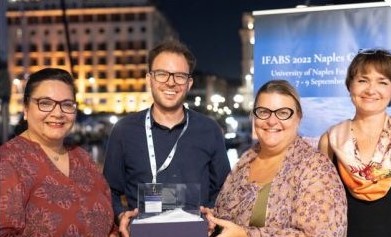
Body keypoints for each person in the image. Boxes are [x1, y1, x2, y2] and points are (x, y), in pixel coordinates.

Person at [103, 39, 231, 236]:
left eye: (179, 76)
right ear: (149, 79)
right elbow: (108, 190)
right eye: (162, 74)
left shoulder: (210, 129)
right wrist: (121, 216)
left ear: (189, 83)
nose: (171, 82)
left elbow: (224, 189)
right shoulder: (124, 131)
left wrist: (214, 212)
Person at [201, 80, 347, 237]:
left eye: (283, 113)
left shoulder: (315, 168)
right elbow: (232, 221)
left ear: (298, 117)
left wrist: (245, 235)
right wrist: (214, 220)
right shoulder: (245, 161)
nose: (271, 121)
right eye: (264, 111)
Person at [318, 48, 391, 237]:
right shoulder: (330, 140)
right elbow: (325, 204)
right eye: (362, 80)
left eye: (382, 82)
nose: (370, 90)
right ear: (350, 85)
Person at [0, 68, 117, 236]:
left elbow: (108, 220)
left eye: (67, 104)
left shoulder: (82, 157)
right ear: (26, 109)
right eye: (45, 103)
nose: (58, 113)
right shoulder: (8, 162)